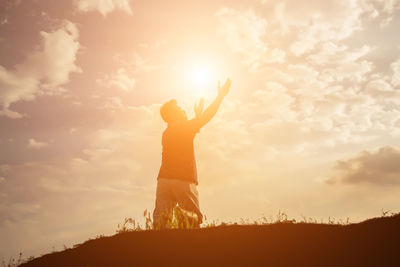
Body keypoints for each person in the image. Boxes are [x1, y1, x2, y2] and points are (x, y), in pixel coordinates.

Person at [153, 78, 231, 229]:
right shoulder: (183, 128)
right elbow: (207, 117)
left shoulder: (167, 132)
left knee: (161, 224)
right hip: (183, 180)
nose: (183, 111)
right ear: (174, 115)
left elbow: (192, 127)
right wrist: (221, 96)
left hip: (163, 181)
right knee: (191, 223)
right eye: (180, 110)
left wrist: (197, 117)